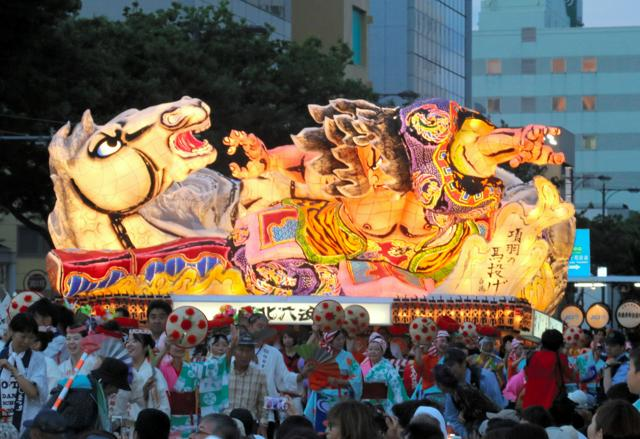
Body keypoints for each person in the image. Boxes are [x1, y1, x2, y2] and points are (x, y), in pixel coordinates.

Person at [48, 357, 131, 434]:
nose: (117, 391)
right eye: (117, 387)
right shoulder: (85, 394)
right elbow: (76, 430)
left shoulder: (93, 390)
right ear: (109, 384)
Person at [304, 329, 362, 432]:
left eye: (343, 338)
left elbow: (357, 378)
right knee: (322, 426)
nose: (341, 342)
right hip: (322, 395)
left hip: (342, 397)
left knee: (342, 426)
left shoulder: (348, 357)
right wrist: (314, 333)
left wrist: (340, 381)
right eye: (338, 339)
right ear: (329, 340)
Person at [0, 313, 48, 433]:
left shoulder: (37, 359)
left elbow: (33, 393)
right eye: (23, 336)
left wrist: (13, 370)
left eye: (31, 337)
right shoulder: (1, 354)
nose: (26, 341)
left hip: (26, 422)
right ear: (11, 331)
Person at [175, 326, 237, 416]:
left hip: (223, 397)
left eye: (224, 345)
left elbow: (226, 357)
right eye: (217, 345)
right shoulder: (202, 361)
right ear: (210, 347)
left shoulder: (227, 360)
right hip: (203, 398)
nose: (221, 348)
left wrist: (233, 345)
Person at [114, 331, 170, 421]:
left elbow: (162, 404)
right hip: (122, 424)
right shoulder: (121, 371)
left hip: (147, 424)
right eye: (128, 341)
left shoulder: (154, 373)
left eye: (135, 341)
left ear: (146, 347)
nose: (129, 344)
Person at [226, 333, 269, 437]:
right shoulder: (224, 372)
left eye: (248, 351)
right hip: (226, 423)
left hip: (249, 425)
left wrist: (263, 424)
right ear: (234, 351)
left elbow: (264, 402)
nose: (244, 355)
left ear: (253, 353)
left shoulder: (259, 375)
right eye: (241, 350)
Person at [522, 329, 573, 409]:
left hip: (529, 404)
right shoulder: (560, 358)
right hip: (550, 404)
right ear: (559, 345)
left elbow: (527, 376)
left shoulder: (532, 356)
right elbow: (571, 376)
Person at [360, 332, 408, 413]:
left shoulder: (388, 368)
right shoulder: (363, 365)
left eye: (376, 349)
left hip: (385, 405)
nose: (373, 352)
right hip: (368, 404)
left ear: (382, 352)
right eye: (370, 349)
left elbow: (397, 388)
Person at [412, 330, 448, 398]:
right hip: (429, 393)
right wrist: (417, 347)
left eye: (447, 341)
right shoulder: (428, 358)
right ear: (435, 343)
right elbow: (418, 367)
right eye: (442, 341)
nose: (445, 344)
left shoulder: (451, 358)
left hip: (447, 393)